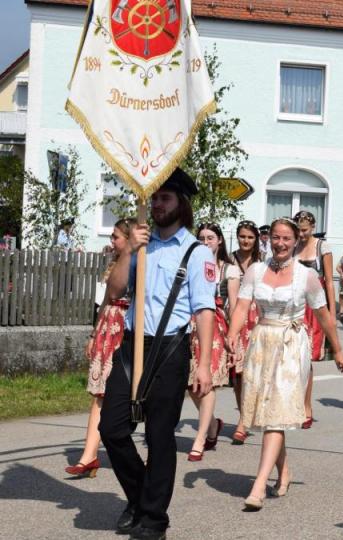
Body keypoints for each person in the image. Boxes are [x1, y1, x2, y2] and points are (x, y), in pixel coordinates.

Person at [99, 168, 215, 539]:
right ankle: (139, 497)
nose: (157, 204)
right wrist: (129, 250)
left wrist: (206, 365)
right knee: (112, 428)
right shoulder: (141, 245)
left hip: (170, 348)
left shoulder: (196, 252)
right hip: (133, 344)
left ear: (181, 204)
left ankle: (153, 519)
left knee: (160, 437)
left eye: (165, 198)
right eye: (155, 198)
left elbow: (204, 310)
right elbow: (116, 291)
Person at [225, 217, 343, 511]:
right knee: (267, 413)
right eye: (276, 238)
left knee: (277, 412)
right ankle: (284, 471)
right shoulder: (255, 271)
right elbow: (242, 306)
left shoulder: (306, 276)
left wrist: (338, 350)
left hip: (292, 345)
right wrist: (231, 333)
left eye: (287, 239)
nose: (280, 243)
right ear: (268, 240)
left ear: (296, 242)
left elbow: (323, 315)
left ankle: (258, 484)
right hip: (261, 342)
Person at [65, 218, 135, 479]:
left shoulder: (143, 264)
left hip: (129, 330)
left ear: (129, 239)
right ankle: (89, 456)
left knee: (130, 396)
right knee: (100, 392)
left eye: (116, 236)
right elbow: (106, 300)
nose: (111, 240)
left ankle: (138, 455)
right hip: (109, 327)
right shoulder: (114, 263)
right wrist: (94, 334)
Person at [185, 223, 237, 461]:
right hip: (189, 326)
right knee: (189, 383)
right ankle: (213, 424)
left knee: (208, 384)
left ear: (219, 242)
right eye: (202, 238)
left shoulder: (228, 270)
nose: (206, 242)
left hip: (214, 327)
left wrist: (233, 335)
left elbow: (235, 305)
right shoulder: (190, 263)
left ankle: (200, 437)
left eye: (211, 238)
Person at [294, 211, 336, 428]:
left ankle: (306, 406)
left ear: (312, 227)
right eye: (298, 230)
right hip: (295, 305)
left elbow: (329, 282)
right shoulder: (292, 246)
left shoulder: (322, 247)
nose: (301, 235)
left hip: (313, 306)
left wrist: (331, 313)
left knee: (305, 358)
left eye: (304, 230)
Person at [229, 220, 262, 444]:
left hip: (256, 317)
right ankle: (244, 416)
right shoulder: (230, 259)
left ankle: (245, 419)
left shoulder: (263, 262)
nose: (246, 241)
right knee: (237, 373)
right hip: (235, 316)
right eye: (242, 236)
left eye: (250, 237)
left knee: (252, 371)